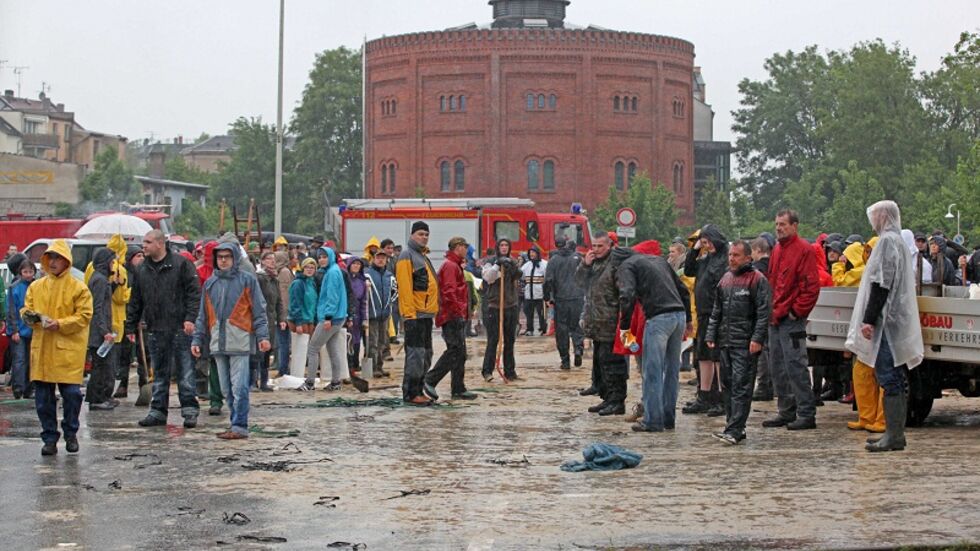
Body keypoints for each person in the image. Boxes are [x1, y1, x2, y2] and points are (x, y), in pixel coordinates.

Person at [845, 200, 924, 452]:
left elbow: (881, 283)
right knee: (893, 376)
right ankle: (893, 433)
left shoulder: (888, 242)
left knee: (889, 376)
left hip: (886, 322)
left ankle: (894, 435)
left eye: (877, 215)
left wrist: (869, 319)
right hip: (890, 319)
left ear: (885, 217)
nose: (874, 220)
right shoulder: (897, 241)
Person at [191, 243, 271, 439]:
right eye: (220, 257)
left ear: (234, 258)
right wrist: (197, 339)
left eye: (227, 256)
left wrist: (263, 336)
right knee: (226, 389)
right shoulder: (210, 283)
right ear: (216, 259)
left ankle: (239, 425)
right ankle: (235, 423)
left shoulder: (247, 281)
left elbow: (259, 311)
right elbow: (203, 315)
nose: (224, 260)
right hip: (218, 341)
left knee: (239, 386)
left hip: (240, 340)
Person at [22, 240, 93, 456]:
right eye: (50, 257)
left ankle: (71, 432)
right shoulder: (36, 286)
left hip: (68, 351)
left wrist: (60, 324)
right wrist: (31, 317)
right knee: (43, 399)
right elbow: (26, 309)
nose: (53, 262)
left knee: (72, 394)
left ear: (66, 261)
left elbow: (84, 316)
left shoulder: (79, 288)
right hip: (43, 349)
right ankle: (49, 438)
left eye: (58, 258)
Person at [127, 230, 202, 429]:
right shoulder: (142, 269)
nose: (144, 246)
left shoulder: (181, 264)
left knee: (185, 372)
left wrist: (190, 318)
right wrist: (130, 324)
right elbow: (136, 299)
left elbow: (194, 293)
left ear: (160, 243)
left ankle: (189, 411)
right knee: (159, 373)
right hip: (155, 328)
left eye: (148, 242)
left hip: (179, 327)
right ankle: (158, 411)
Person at [616, 242, 692, 432]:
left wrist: (624, 327)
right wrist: (689, 320)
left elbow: (626, 295)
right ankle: (668, 418)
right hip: (679, 316)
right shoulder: (659, 261)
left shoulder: (626, 266)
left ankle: (652, 421)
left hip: (658, 318)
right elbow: (683, 290)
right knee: (672, 371)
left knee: (653, 372)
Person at [705, 241, 771, 444]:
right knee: (728, 384)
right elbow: (716, 310)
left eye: (736, 255)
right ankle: (732, 426)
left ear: (748, 258)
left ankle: (735, 428)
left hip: (745, 342)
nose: (732, 258)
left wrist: (757, 338)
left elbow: (763, 313)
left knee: (742, 385)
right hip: (726, 342)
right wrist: (710, 335)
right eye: (730, 255)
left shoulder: (757, 279)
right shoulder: (725, 279)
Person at [763, 209, 820, 430]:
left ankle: (806, 413)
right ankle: (786, 411)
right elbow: (773, 281)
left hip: (790, 318)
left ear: (794, 226)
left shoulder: (804, 250)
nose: (778, 228)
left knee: (796, 366)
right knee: (778, 367)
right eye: (777, 224)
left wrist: (797, 312)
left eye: (783, 224)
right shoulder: (777, 249)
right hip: (777, 318)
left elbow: (811, 287)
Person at [576, 232, 628, 416]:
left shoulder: (615, 264)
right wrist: (585, 265)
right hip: (596, 322)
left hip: (611, 321)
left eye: (600, 246)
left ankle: (617, 401)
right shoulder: (594, 263)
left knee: (613, 364)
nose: (596, 250)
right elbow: (579, 282)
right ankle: (607, 398)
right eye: (594, 246)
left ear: (609, 246)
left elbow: (624, 292)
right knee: (601, 363)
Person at [423, 237, 478, 401]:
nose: (466, 249)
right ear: (457, 247)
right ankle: (430, 379)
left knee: (461, 353)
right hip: (451, 315)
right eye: (464, 246)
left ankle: (458, 388)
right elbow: (449, 291)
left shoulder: (455, 265)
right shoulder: (450, 266)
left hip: (456, 314)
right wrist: (457, 312)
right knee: (454, 350)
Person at [682, 225, 729, 416]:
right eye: (704, 242)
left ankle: (720, 398)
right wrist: (694, 248)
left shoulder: (725, 259)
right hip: (703, 313)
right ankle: (704, 395)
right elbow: (689, 270)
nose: (706, 245)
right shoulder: (706, 259)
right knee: (702, 356)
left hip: (717, 314)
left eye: (708, 241)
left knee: (716, 356)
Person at [396, 222, 439, 404]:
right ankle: (411, 393)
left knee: (426, 354)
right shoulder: (407, 256)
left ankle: (419, 389)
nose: (424, 237)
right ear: (413, 235)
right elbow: (405, 288)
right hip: (415, 316)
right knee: (415, 356)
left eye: (426, 234)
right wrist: (409, 315)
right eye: (421, 234)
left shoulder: (423, 257)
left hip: (426, 315)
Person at [302, 247, 349, 391]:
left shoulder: (333, 273)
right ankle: (335, 382)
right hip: (338, 317)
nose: (321, 259)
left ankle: (309, 383)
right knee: (332, 349)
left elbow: (332, 297)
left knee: (313, 348)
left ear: (330, 257)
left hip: (330, 318)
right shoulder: (333, 270)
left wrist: (328, 317)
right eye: (319, 257)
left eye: (324, 256)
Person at [481, 238, 522, 382]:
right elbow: (488, 278)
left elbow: (518, 275)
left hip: (511, 305)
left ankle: (510, 371)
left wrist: (513, 266)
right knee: (493, 340)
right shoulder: (490, 261)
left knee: (510, 340)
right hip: (495, 306)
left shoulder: (513, 261)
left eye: (506, 245)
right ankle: (487, 371)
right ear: (497, 247)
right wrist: (497, 265)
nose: (504, 247)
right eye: (502, 245)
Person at [85, 248, 118, 411]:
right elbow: (97, 308)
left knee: (104, 366)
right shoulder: (99, 280)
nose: (114, 265)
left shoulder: (102, 279)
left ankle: (102, 396)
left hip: (101, 330)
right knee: (99, 367)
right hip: (98, 333)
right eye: (112, 261)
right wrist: (104, 331)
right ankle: (96, 398)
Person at [545, 237, 585, 370]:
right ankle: (578, 349)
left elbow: (548, 281)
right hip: (577, 298)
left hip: (561, 299)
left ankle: (565, 360)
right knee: (577, 327)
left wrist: (547, 297)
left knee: (562, 330)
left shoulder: (553, 260)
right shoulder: (578, 258)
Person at [5, 254, 35, 399]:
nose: (28, 275)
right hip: (19, 329)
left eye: (31, 272)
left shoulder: (37, 285)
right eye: (25, 272)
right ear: (20, 272)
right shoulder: (14, 287)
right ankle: (18, 388)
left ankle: (29, 388)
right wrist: (14, 330)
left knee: (31, 360)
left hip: (32, 329)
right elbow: (11, 309)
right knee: (19, 360)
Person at [255, 252, 286, 390]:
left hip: (271, 319)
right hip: (261, 319)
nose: (272, 262)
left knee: (268, 352)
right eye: (268, 259)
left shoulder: (275, 279)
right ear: (262, 261)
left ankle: (264, 382)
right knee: (258, 351)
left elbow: (279, 301)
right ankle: (253, 381)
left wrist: (281, 318)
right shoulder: (260, 278)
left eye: (274, 259)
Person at [749, 237, 774, 401]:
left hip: (759, 313)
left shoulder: (756, 270)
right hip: (773, 311)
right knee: (771, 350)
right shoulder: (773, 266)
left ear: (758, 250)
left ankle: (764, 385)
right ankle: (771, 385)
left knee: (762, 350)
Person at [288, 258, 319, 382]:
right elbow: (295, 304)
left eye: (312, 267)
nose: (310, 270)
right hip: (300, 320)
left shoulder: (312, 282)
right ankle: (296, 375)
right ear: (302, 268)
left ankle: (304, 373)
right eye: (307, 267)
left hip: (310, 319)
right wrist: (299, 323)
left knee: (308, 349)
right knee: (299, 350)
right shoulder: (298, 283)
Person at [365, 249, 394, 378]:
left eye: (383, 258)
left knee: (383, 341)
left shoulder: (389, 276)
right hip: (372, 314)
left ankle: (380, 366)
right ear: (374, 259)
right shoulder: (367, 274)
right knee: (373, 342)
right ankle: (373, 368)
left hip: (385, 314)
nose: (381, 260)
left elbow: (394, 292)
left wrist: (390, 305)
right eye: (378, 257)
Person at [346, 257, 368, 375]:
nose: (356, 266)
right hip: (347, 313)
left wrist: (365, 318)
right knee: (348, 340)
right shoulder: (346, 279)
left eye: (358, 264)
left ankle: (355, 364)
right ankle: (348, 365)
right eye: (354, 264)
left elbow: (364, 301)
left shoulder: (362, 282)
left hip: (358, 314)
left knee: (356, 340)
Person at [520, 246, 548, 336]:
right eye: (530, 252)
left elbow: (547, 278)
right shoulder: (527, 265)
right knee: (528, 313)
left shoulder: (544, 264)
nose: (532, 254)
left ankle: (543, 329)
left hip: (540, 294)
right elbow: (522, 276)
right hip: (528, 294)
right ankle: (530, 329)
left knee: (541, 313)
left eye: (533, 252)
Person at [274, 250, 294, 376]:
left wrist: (283, 315)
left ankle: (283, 369)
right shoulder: (281, 271)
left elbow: (284, 295)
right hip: (282, 312)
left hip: (283, 313)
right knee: (282, 342)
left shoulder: (284, 272)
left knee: (283, 342)